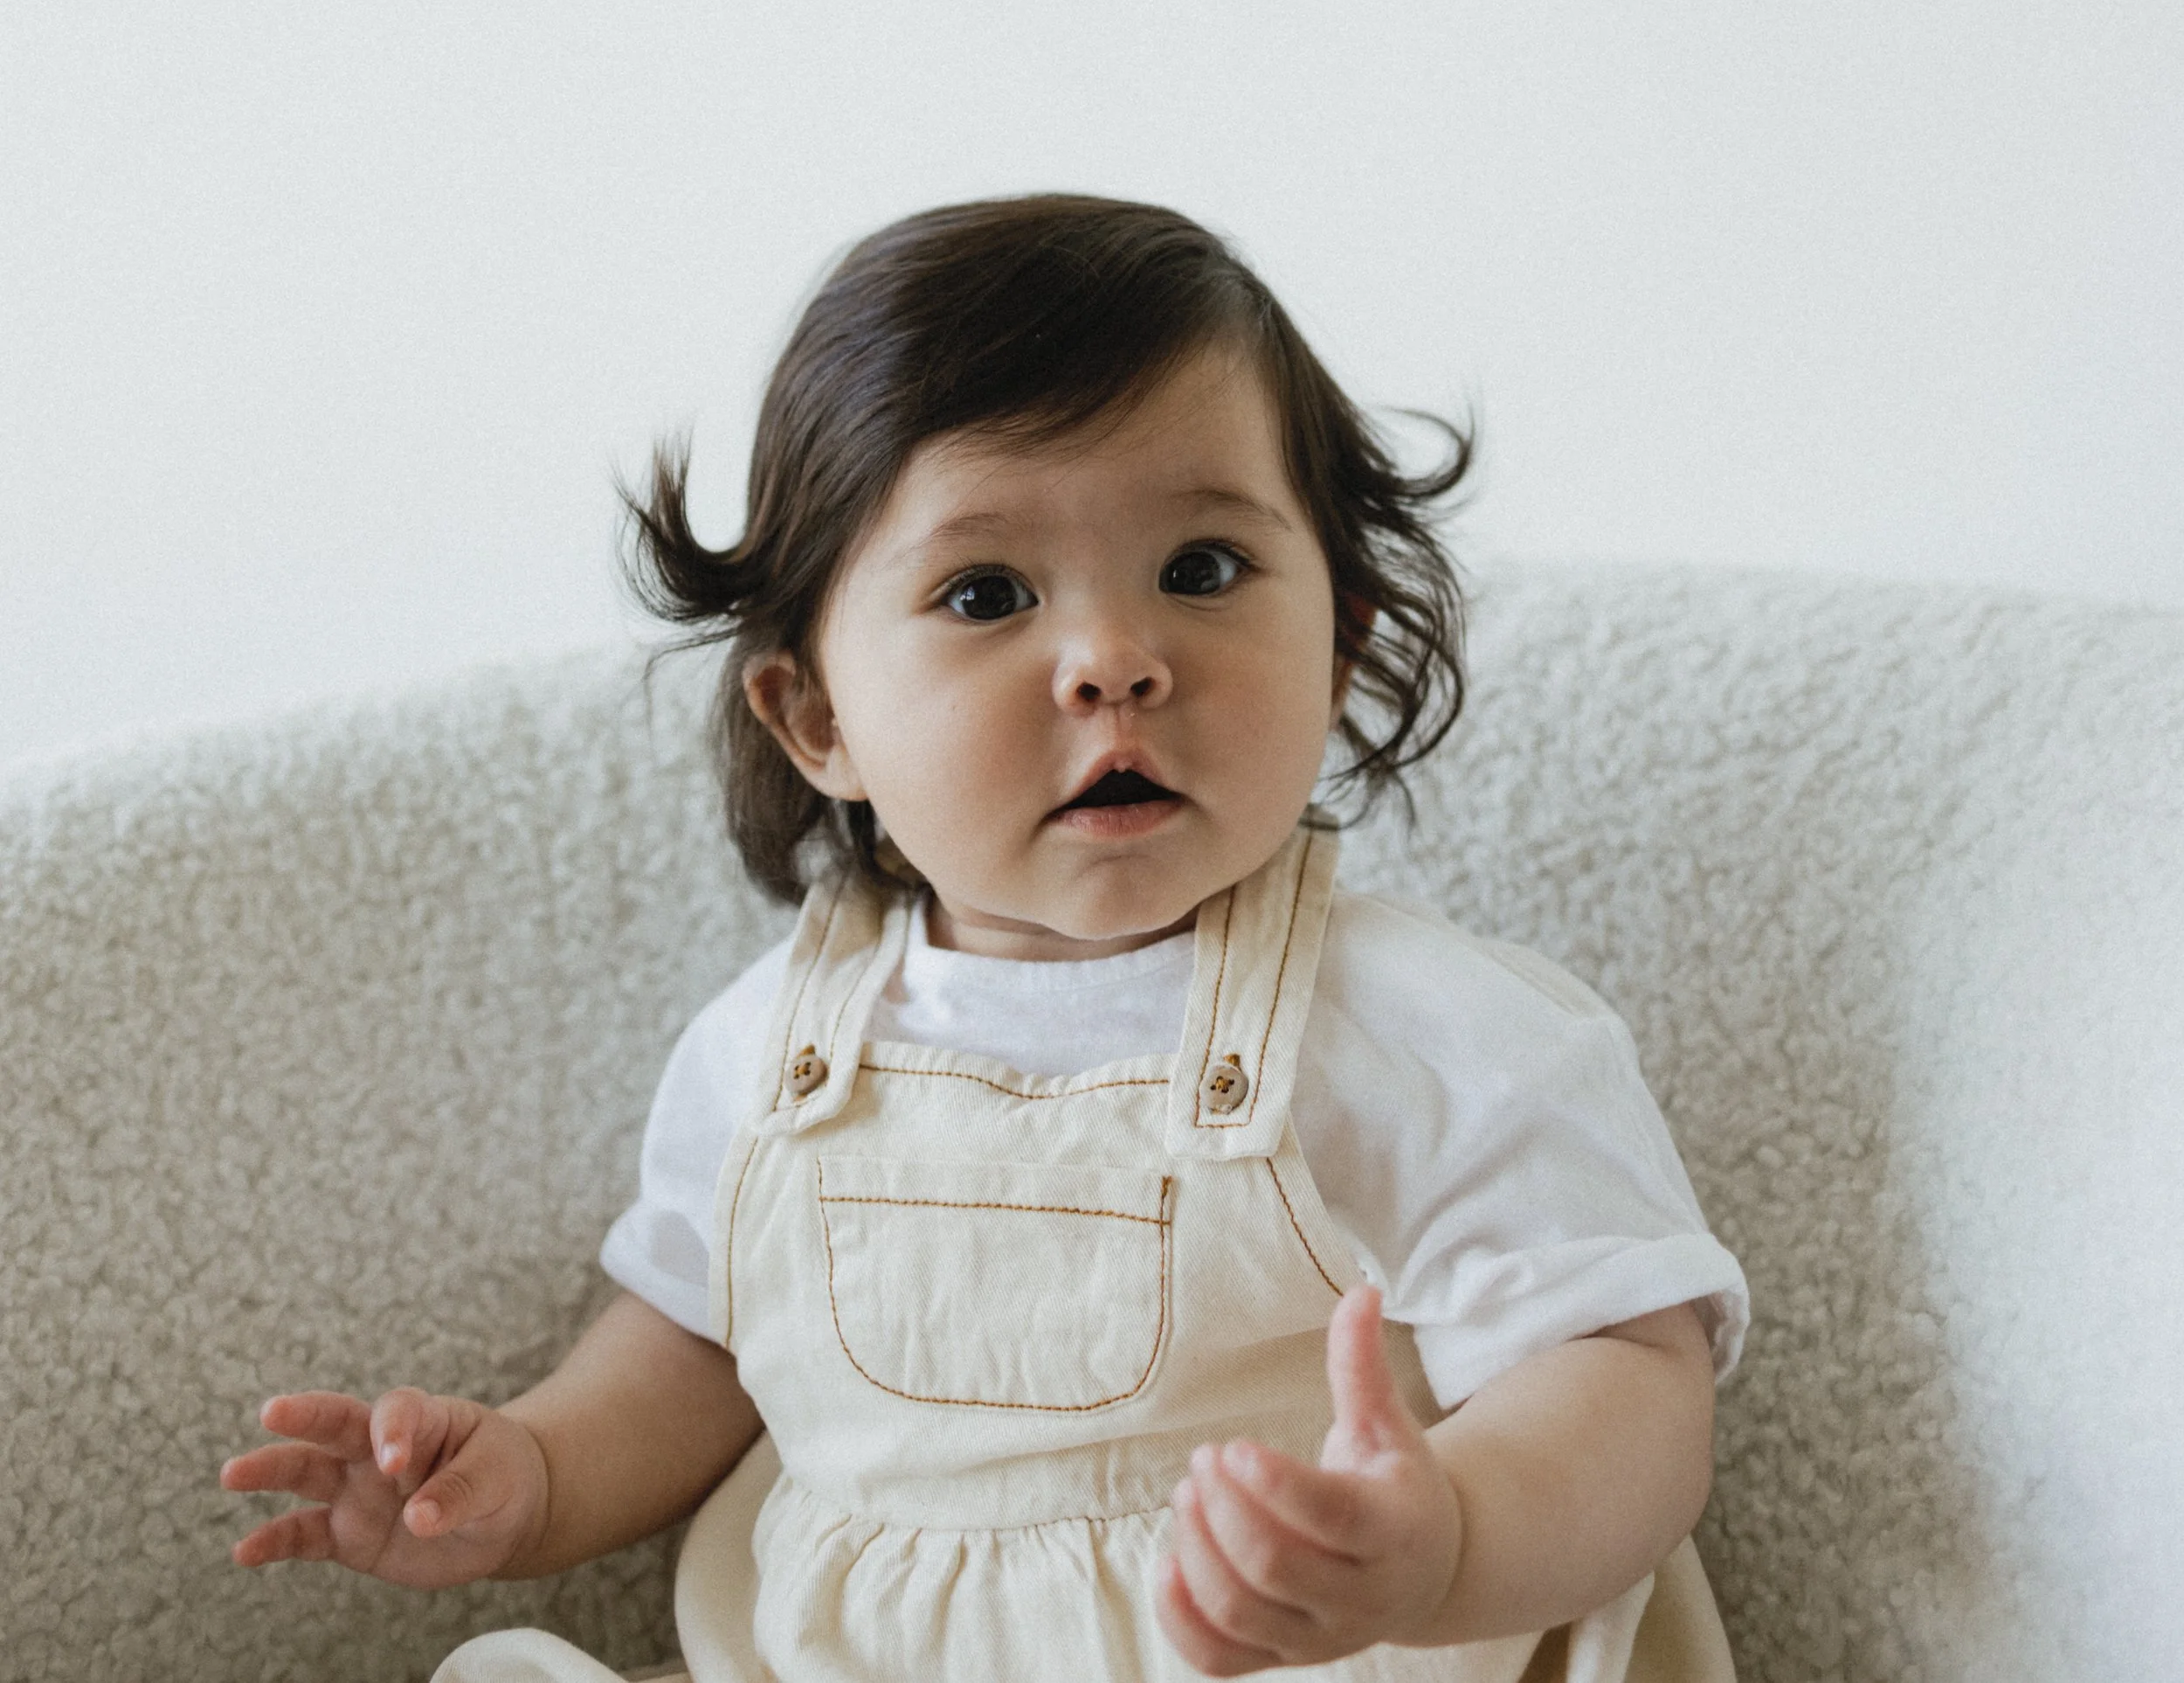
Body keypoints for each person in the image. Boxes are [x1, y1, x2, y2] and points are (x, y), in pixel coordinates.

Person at [220, 196, 1747, 1682]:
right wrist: (537, 1473)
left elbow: (1625, 1372)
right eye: (987, 591)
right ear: (817, 714)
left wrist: (1450, 1535)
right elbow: (695, 1343)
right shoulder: (775, 1052)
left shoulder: (1428, 1031)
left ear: (1338, 635)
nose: (1114, 660)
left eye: (1201, 569)